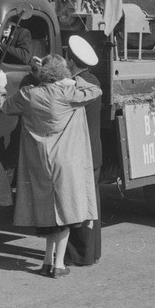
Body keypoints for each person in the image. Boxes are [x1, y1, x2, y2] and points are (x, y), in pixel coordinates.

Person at [0, 54, 101, 278]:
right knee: (65, 213)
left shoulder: (28, 94)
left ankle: (46, 261)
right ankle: (59, 265)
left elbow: (2, 105)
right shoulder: (67, 93)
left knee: (49, 214)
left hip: (39, 162)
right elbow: (95, 91)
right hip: (65, 161)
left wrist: (0, 86)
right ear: (62, 75)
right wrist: (72, 80)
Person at [64, 35, 103, 267]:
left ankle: (78, 255)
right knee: (92, 202)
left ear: (71, 61)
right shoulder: (93, 81)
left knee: (77, 203)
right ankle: (92, 252)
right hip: (93, 151)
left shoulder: (77, 86)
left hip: (81, 153)